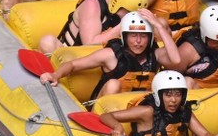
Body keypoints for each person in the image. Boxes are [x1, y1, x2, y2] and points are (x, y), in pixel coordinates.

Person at [39, 9, 180, 100]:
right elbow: (73, 64)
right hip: (106, 111)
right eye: (133, 36)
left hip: (139, 113)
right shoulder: (111, 55)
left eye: (143, 36)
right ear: (124, 37)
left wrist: (159, 26)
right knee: (113, 84)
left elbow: (176, 59)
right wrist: (55, 75)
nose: (138, 41)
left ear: (150, 38)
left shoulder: (155, 54)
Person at [99, 70, 218, 136]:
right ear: (158, 95)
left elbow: (203, 134)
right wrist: (117, 126)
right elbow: (106, 116)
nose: (174, 100)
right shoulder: (147, 112)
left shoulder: (183, 111)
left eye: (178, 95)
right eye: (168, 95)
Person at [38, 0, 149, 53]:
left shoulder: (126, 13)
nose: (131, 16)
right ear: (116, 3)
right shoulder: (93, 6)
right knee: (47, 42)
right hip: (72, 53)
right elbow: (89, 44)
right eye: (128, 12)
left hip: (106, 60)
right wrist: (122, 26)